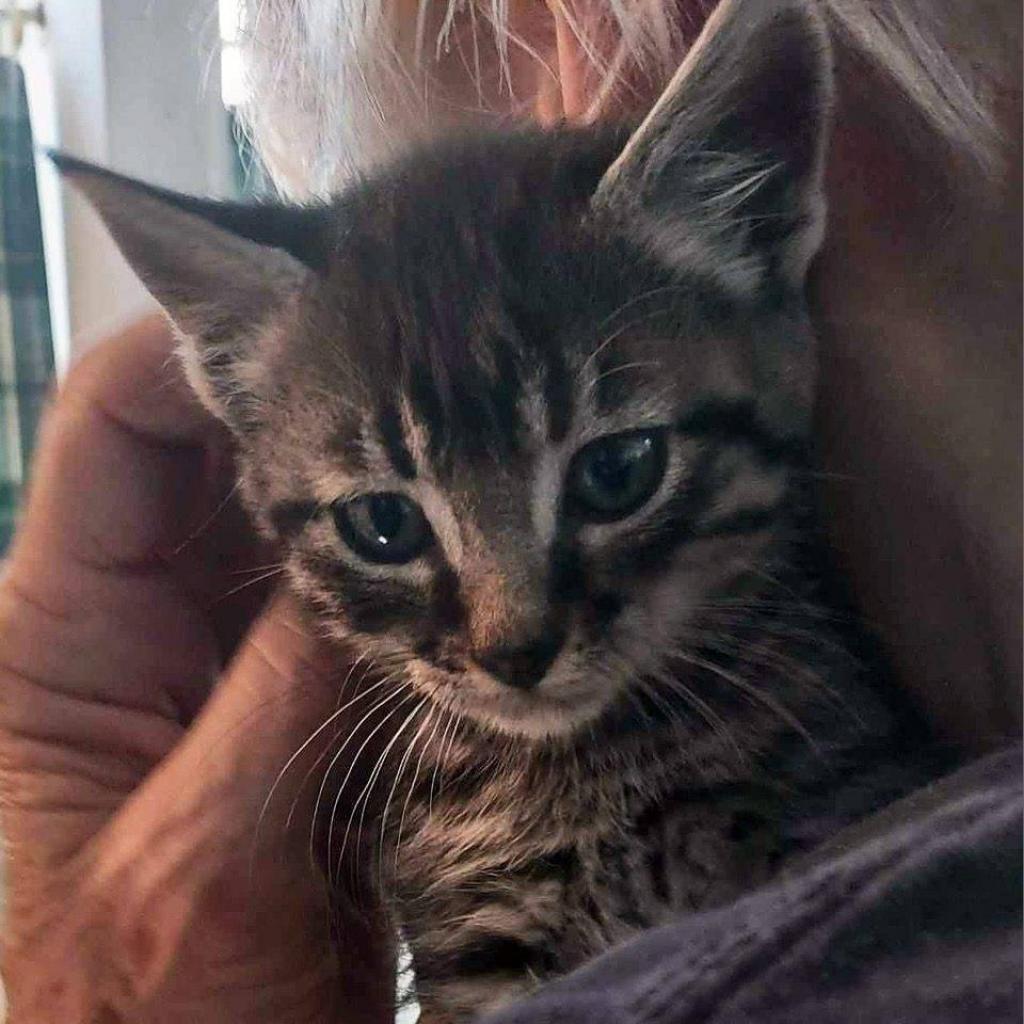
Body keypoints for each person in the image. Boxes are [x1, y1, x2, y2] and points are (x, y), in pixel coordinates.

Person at [0, 2, 1018, 1022]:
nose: (509, 632)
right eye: (386, 527)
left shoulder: (824, 699)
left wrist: (106, 998)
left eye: (615, 473)